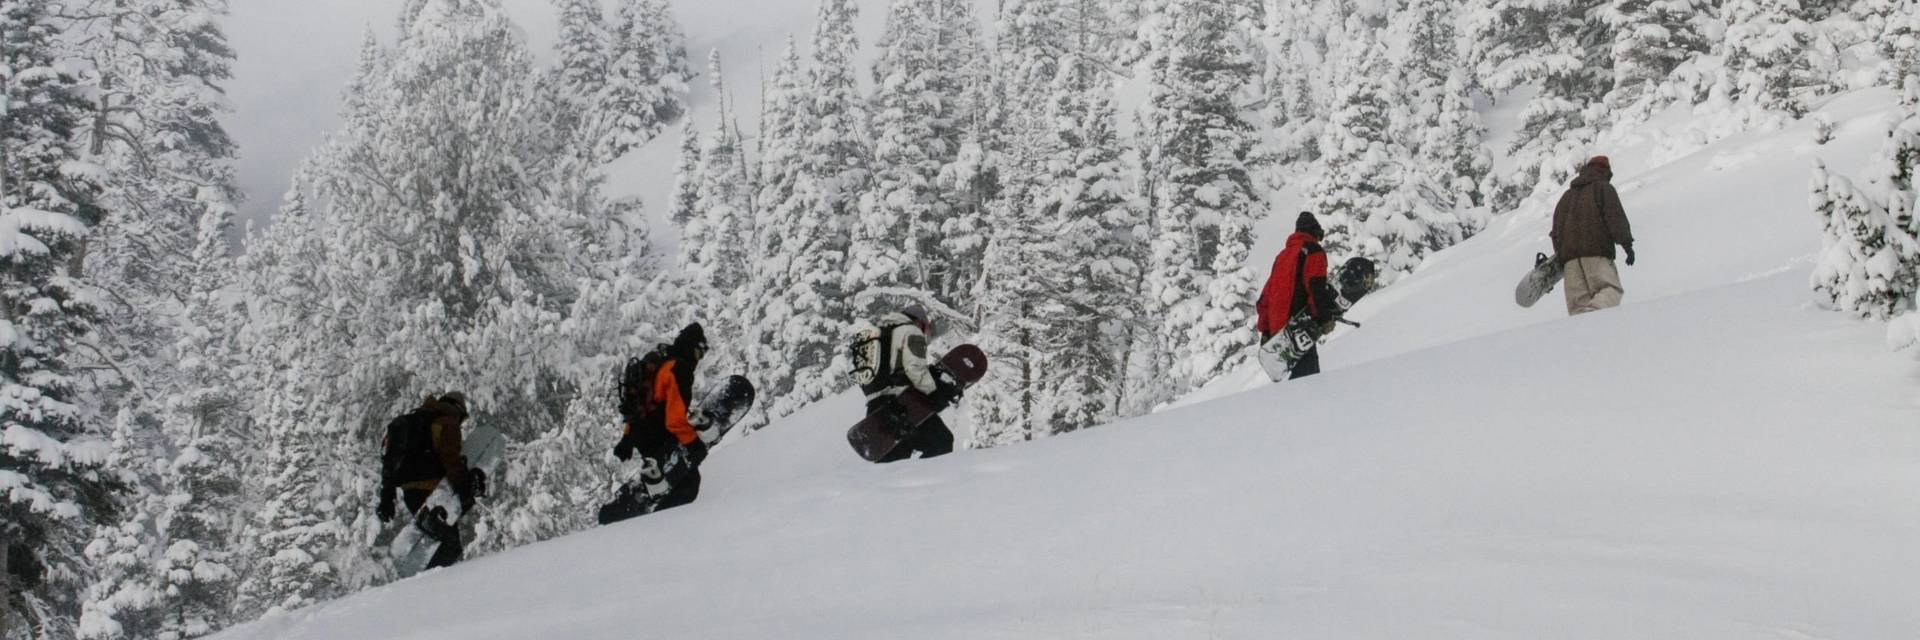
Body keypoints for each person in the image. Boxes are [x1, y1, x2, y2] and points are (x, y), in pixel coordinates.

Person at [377, 391, 481, 570]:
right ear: (458, 409)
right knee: (450, 545)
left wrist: (387, 497)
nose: (460, 423)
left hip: (410, 491)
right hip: (434, 489)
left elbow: (389, 461)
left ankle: (429, 575)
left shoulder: (407, 422)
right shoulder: (447, 421)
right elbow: (451, 458)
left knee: (438, 542)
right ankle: (434, 585)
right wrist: (463, 488)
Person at [611, 322, 708, 512]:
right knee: (687, 482)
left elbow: (639, 403)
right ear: (693, 347)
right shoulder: (679, 369)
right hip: (659, 433)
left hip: (642, 432)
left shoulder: (661, 363)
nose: (701, 357)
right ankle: (665, 523)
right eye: (701, 351)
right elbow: (675, 418)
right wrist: (693, 443)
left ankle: (649, 504)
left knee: (663, 480)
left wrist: (627, 438)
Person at [861, 306, 957, 462]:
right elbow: (915, 369)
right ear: (920, 322)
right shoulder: (911, 331)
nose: (926, 333)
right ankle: (930, 484)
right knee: (941, 441)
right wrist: (934, 394)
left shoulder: (879, 335)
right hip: (904, 405)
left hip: (876, 408)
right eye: (926, 328)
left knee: (896, 460)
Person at [1255, 212, 1343, 379]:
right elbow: (1316, 286)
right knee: (1308, 382)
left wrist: (1266, 330)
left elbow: (1265, 297)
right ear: (1315, 232)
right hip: (1299, 326)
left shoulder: (1282, 256)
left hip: (1278, 331)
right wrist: (1325, 317)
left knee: (1298, 380)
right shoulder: (1312, 250)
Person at [1550, 155, 1636, 316]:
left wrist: (1561, 258)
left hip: (1570, 262)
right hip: (1596, 254)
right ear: (1605, 171)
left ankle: (1586, 335)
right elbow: (1615, 217)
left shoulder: (1566, 197)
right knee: (1610, 289)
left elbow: (1556, 232)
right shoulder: (1603, 188)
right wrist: (1627, 245)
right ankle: (1595, 315)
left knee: (1578, 307)